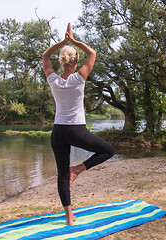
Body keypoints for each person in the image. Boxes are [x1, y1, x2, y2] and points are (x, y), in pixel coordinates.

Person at [42, 23, 114, 225]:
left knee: (62, 175)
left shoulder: (53, 80)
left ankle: (69, 217)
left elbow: (45, 57)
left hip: (58, 132)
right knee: (108, 150)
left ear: (61, 61)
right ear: (75, 61)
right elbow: (92, 53)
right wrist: (73, 41)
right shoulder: (79, 78)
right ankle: (79, 169)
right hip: (76, 130)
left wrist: (61, 42)